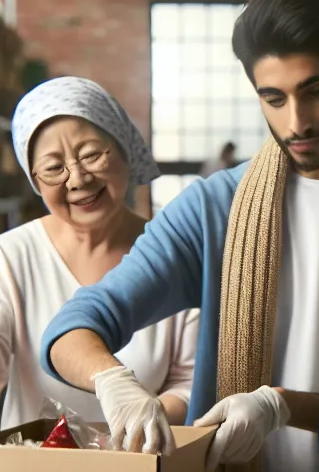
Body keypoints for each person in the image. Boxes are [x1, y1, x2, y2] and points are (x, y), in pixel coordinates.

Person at [43, 0, 319, 472]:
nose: (296, 121)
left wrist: (278, 406)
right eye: (274, 98)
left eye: (315, 91)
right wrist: (113, 381)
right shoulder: (215, 210)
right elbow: (74, 326)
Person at [1, 77, 198, 430]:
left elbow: (189, 381)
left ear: (124, 148)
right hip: (32, 470)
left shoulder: (176, 253)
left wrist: (138, 423)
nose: (77, 179)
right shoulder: (11, 256)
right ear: (35, 180)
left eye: (91, 154)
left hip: (141, 465)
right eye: (53, 168)